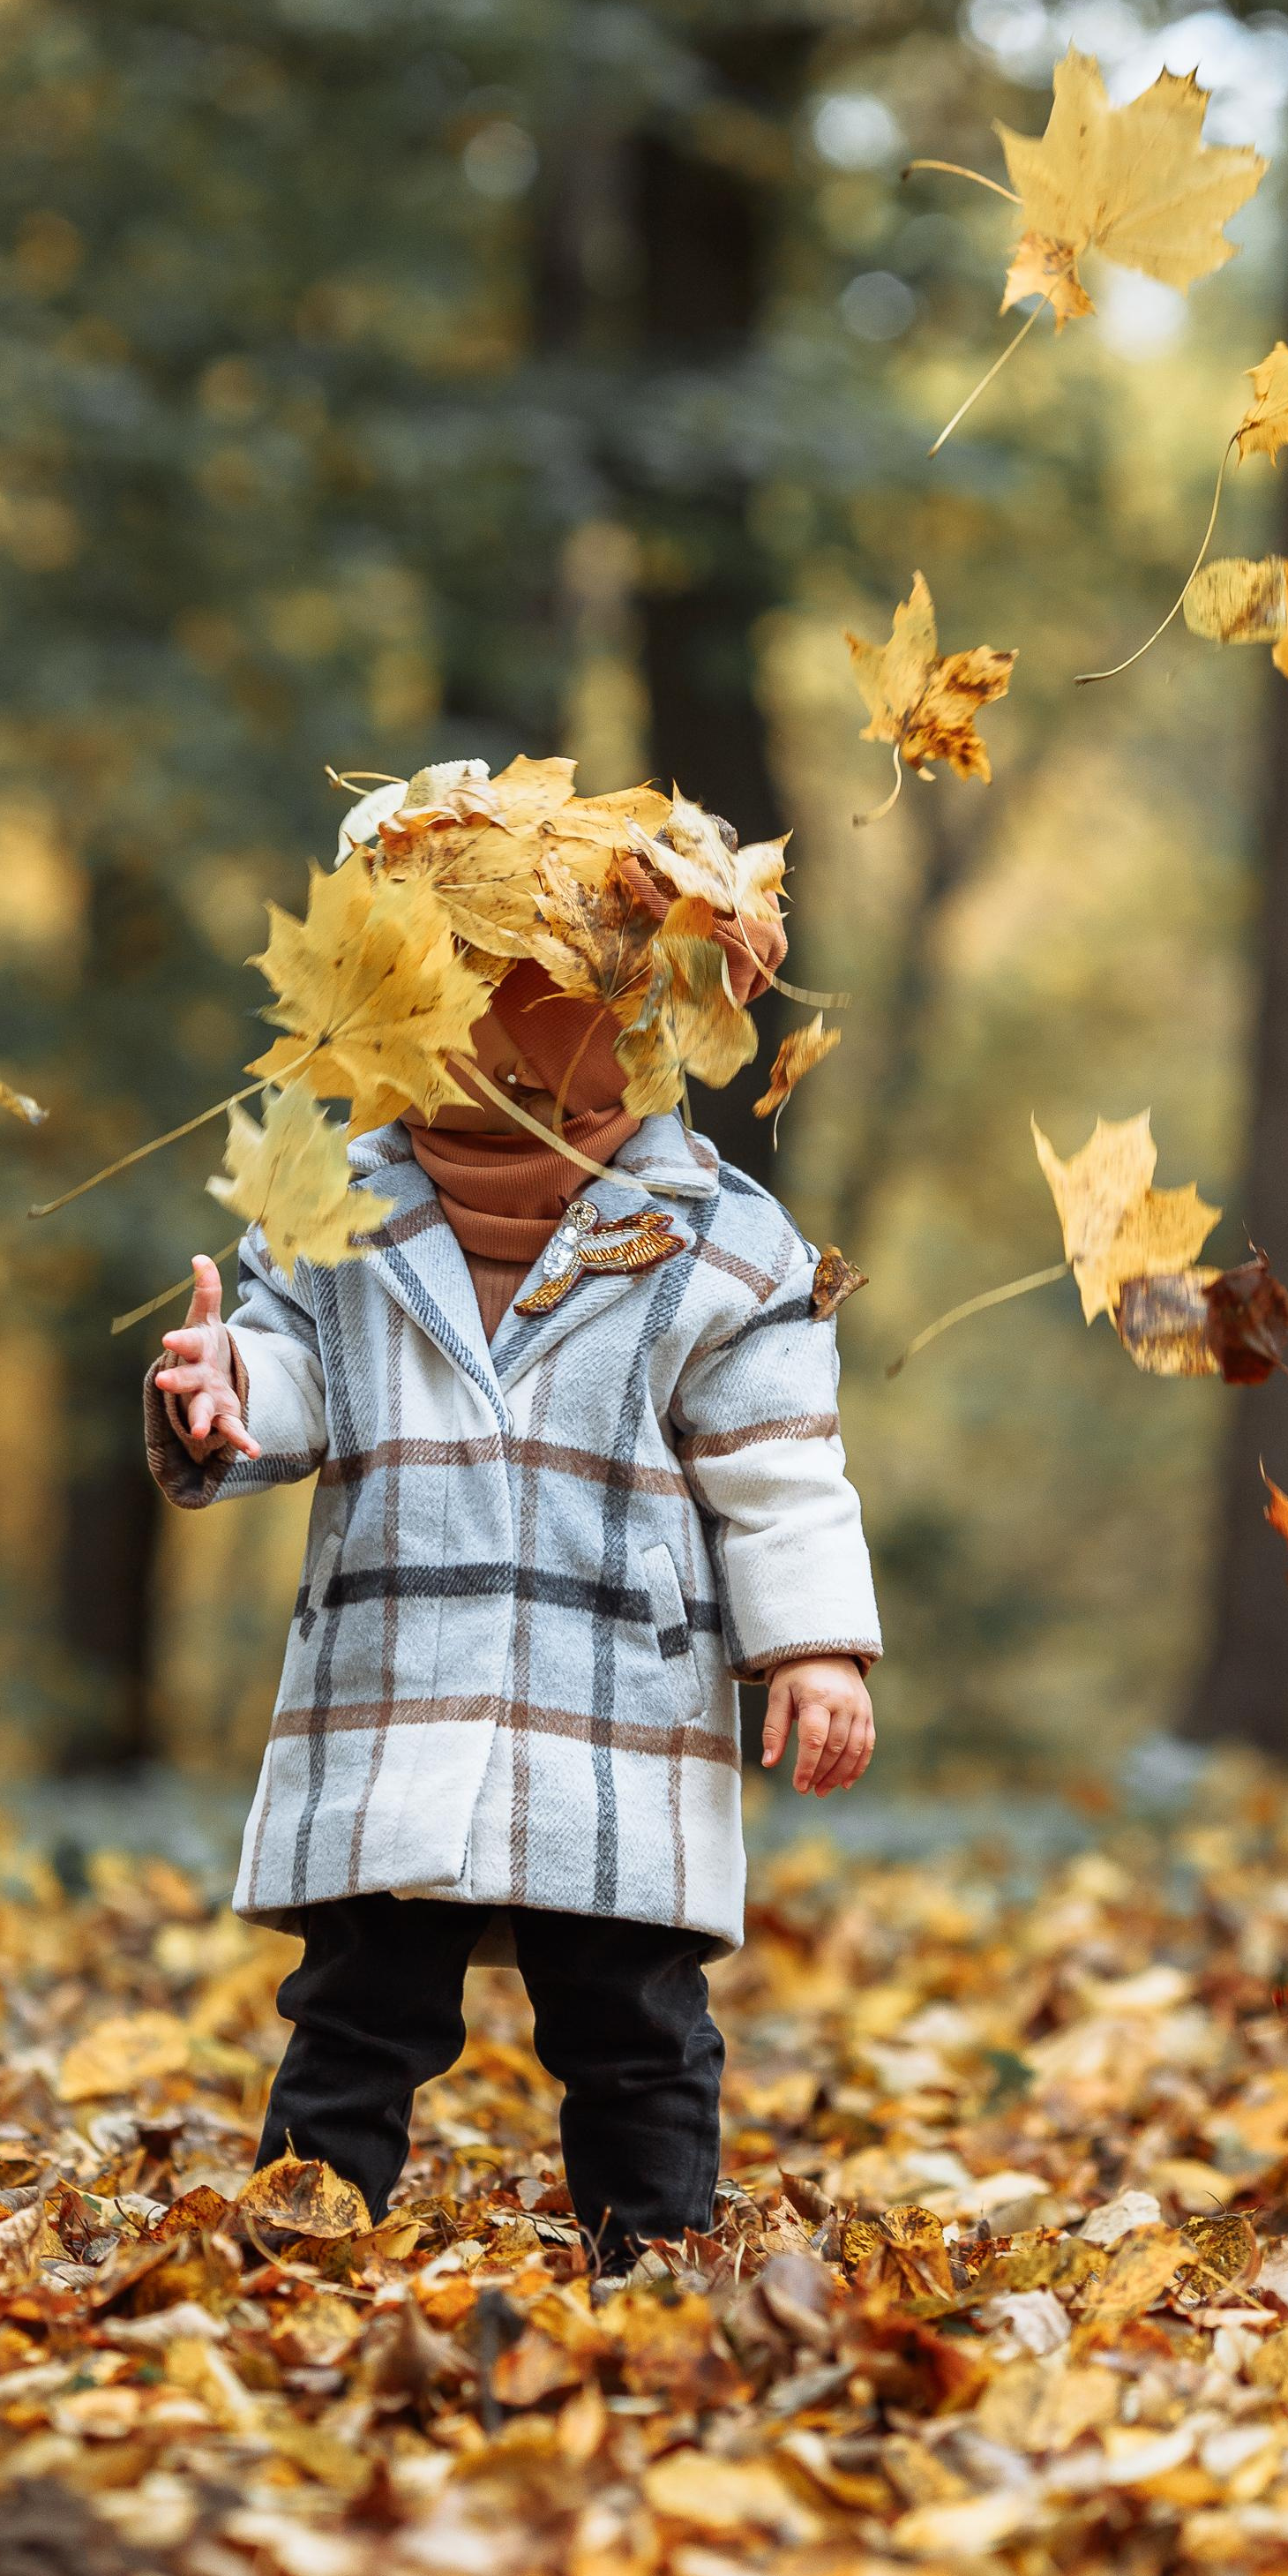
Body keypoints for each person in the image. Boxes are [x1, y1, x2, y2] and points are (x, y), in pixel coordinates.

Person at [146, 858, 879, 2272]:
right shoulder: (332, 1207)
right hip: (399, 1679)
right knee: (360, 2003)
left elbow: (779, 1463)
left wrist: (815, 1643)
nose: (495, 1040)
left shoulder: (723, 1243)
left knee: (633, 2020)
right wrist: (229, 1379)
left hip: (613, 1697)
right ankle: (301, 2248)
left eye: (548, 1005)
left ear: (635, 1027)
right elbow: (298, 1374)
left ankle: (651, 2261)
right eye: (458, 995)